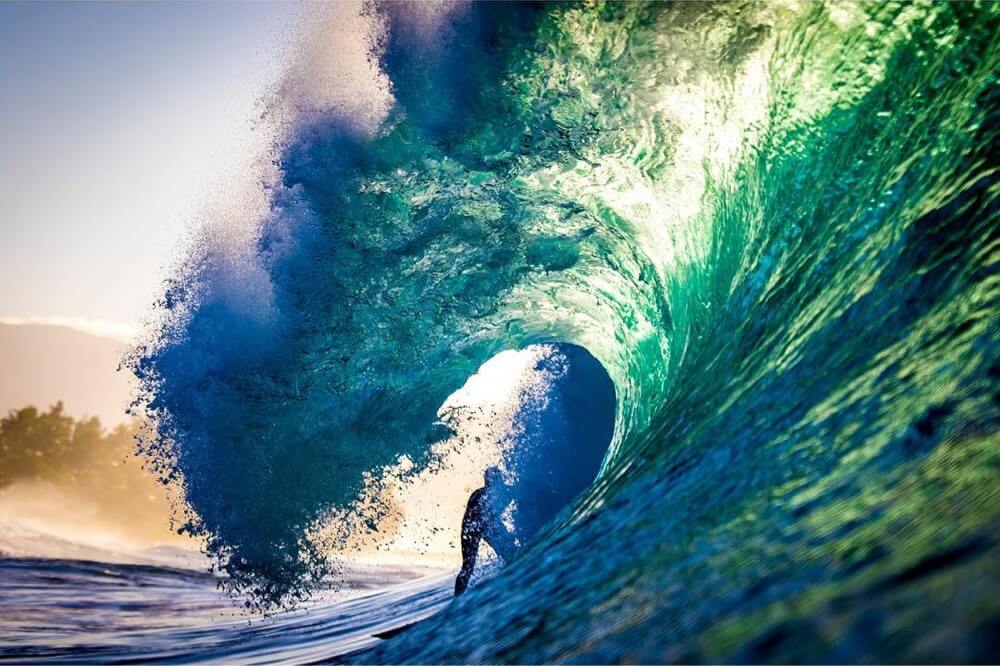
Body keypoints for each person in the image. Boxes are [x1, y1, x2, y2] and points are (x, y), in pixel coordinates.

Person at [454, 466, 518, 595]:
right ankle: (457, 598)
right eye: (488, 481)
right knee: (468, 567)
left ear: (500, 480)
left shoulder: (507, 492)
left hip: (490, 524)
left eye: (495, 480)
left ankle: (514, 584)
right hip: (471, 528)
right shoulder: (479, 495)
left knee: (511, 553)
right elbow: (473, 516)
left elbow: (521, 493)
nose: (490, 484)